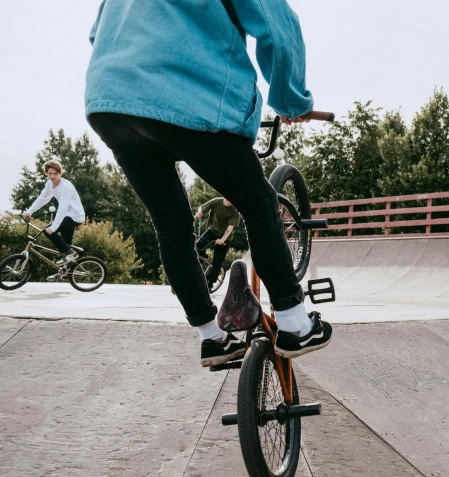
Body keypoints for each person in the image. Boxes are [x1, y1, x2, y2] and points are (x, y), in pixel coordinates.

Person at [85, 0, 331, 367]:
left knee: (171, 224)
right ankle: (295, 323)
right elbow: (277, 28)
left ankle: (212, 337)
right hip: (181, 94)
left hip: (110, 101)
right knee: (258, 201)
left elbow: (96, 35)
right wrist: (291, 102)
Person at [22, 160, 86, 268]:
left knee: (49, 232)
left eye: (55, 174)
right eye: (50, 173)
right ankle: (66, 271)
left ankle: (71, 253)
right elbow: (42, 199)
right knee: (65, 245)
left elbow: (62, 209)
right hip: (67, 216)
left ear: (60, 173)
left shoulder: (66, 187)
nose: (52, 176)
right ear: (46, 173)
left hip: (75, 216)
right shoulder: (49, 184)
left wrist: (53, 228)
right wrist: (29, 211)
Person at [193, 197, 240, 289]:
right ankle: (203, 257)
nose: (229, 200)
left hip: (226, 238)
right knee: (198, 246)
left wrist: (222, 240)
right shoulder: (216, 202)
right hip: (212, 231)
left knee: (217, 260)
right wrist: (191, 224)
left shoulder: (235, 211)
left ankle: (210, 281)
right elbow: (199, 214)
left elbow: (229, 229)